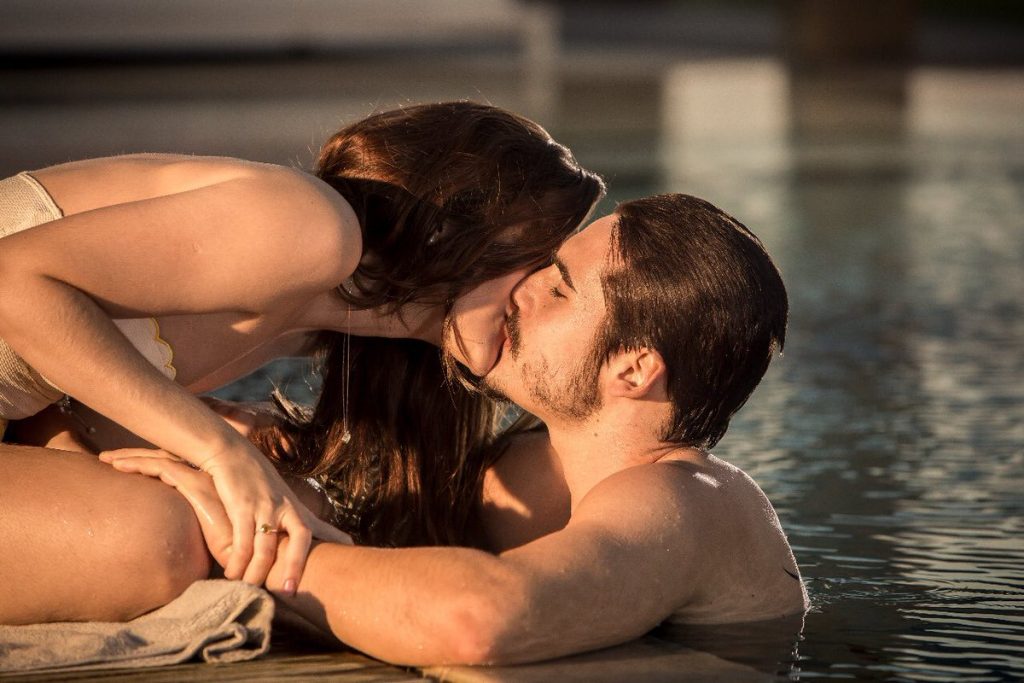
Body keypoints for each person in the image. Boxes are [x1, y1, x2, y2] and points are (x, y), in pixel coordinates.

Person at [96, 193, 809, 665]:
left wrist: (258, 535)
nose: (520, 286)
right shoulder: (526, 472)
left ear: (632, 369)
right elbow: (388, 534)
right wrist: (259, 456)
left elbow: (481, 616)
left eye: (557, 285)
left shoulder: (690, 501)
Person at [0, 102, 604, 594]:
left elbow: (58, 383)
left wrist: (193, 435)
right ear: (463, 229)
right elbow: (12, 284)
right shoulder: (311, 228)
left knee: (265, 513)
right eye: (541, 262)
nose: (534, 295)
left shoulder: (312, 329)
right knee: (165, 541)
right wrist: (215, 452)